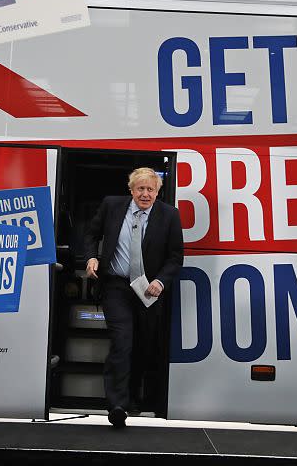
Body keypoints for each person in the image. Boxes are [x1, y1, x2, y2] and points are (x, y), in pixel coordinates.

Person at [84, 167, 184, 427]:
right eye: (140, 188)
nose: (145, 194)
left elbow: (175, 257)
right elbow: (91, 234)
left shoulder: (169, 215)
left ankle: (132, 399)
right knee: (122, 340)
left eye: (150, 189)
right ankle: (117, 404)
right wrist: (91, 257)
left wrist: (161, 281)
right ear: (131, 190)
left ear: (157, 192)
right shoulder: (112, 206)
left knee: (142, 345)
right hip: (116, 286)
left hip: (148, 290)